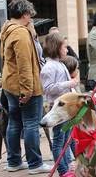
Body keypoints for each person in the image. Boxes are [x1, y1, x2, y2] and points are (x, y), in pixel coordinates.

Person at [0, 0, 52, 174]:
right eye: (30, 15)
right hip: (24, 86)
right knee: (31, 124)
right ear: (25, 13)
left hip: (10, 85)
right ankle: (35, 164)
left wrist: (32, 31)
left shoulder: (8, 29)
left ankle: (13, 161)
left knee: (14, 123)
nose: (31, 19)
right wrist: (28, 90)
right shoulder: (20, 33)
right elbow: (24, 63)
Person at [40, 33, 78, 177]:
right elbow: (48, 88)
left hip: (66, 112)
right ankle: (63, 171)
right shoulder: (49, 67)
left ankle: (68, 165)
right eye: (64, 47)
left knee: (67, 138)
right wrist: (69, 83)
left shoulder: (59, 64)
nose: (67, 50)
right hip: (57, 112)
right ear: (56, 48)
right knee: (59, 141)